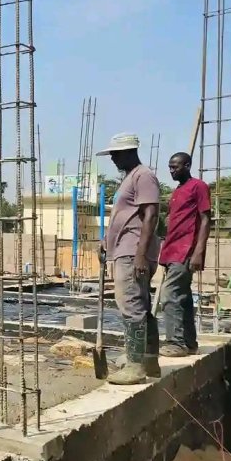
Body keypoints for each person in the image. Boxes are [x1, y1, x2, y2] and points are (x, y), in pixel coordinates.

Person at [97, 133, 161, 385]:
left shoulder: (143, 176)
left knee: (131, 305)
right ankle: (149, 361)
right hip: (124, 249)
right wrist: (106, 242)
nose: (112, 158)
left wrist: (141, 255)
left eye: (116, 153)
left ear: (130, 151)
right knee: (140, 306)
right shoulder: (129, 178)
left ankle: (135, 367)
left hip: (133, 251)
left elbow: (151, 216)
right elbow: (125, 217)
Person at [157, 152, 210, 357]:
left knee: (169, 294)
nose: (171, 171)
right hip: (172, 249)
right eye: (169, 167)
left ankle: (176, 343)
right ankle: (189, 342)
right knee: (183, 297)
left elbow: (205, 220)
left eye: (175, 167)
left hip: (186, 249)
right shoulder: (178, 191)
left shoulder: (198, 186)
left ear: (187, 165)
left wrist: (199, 252)